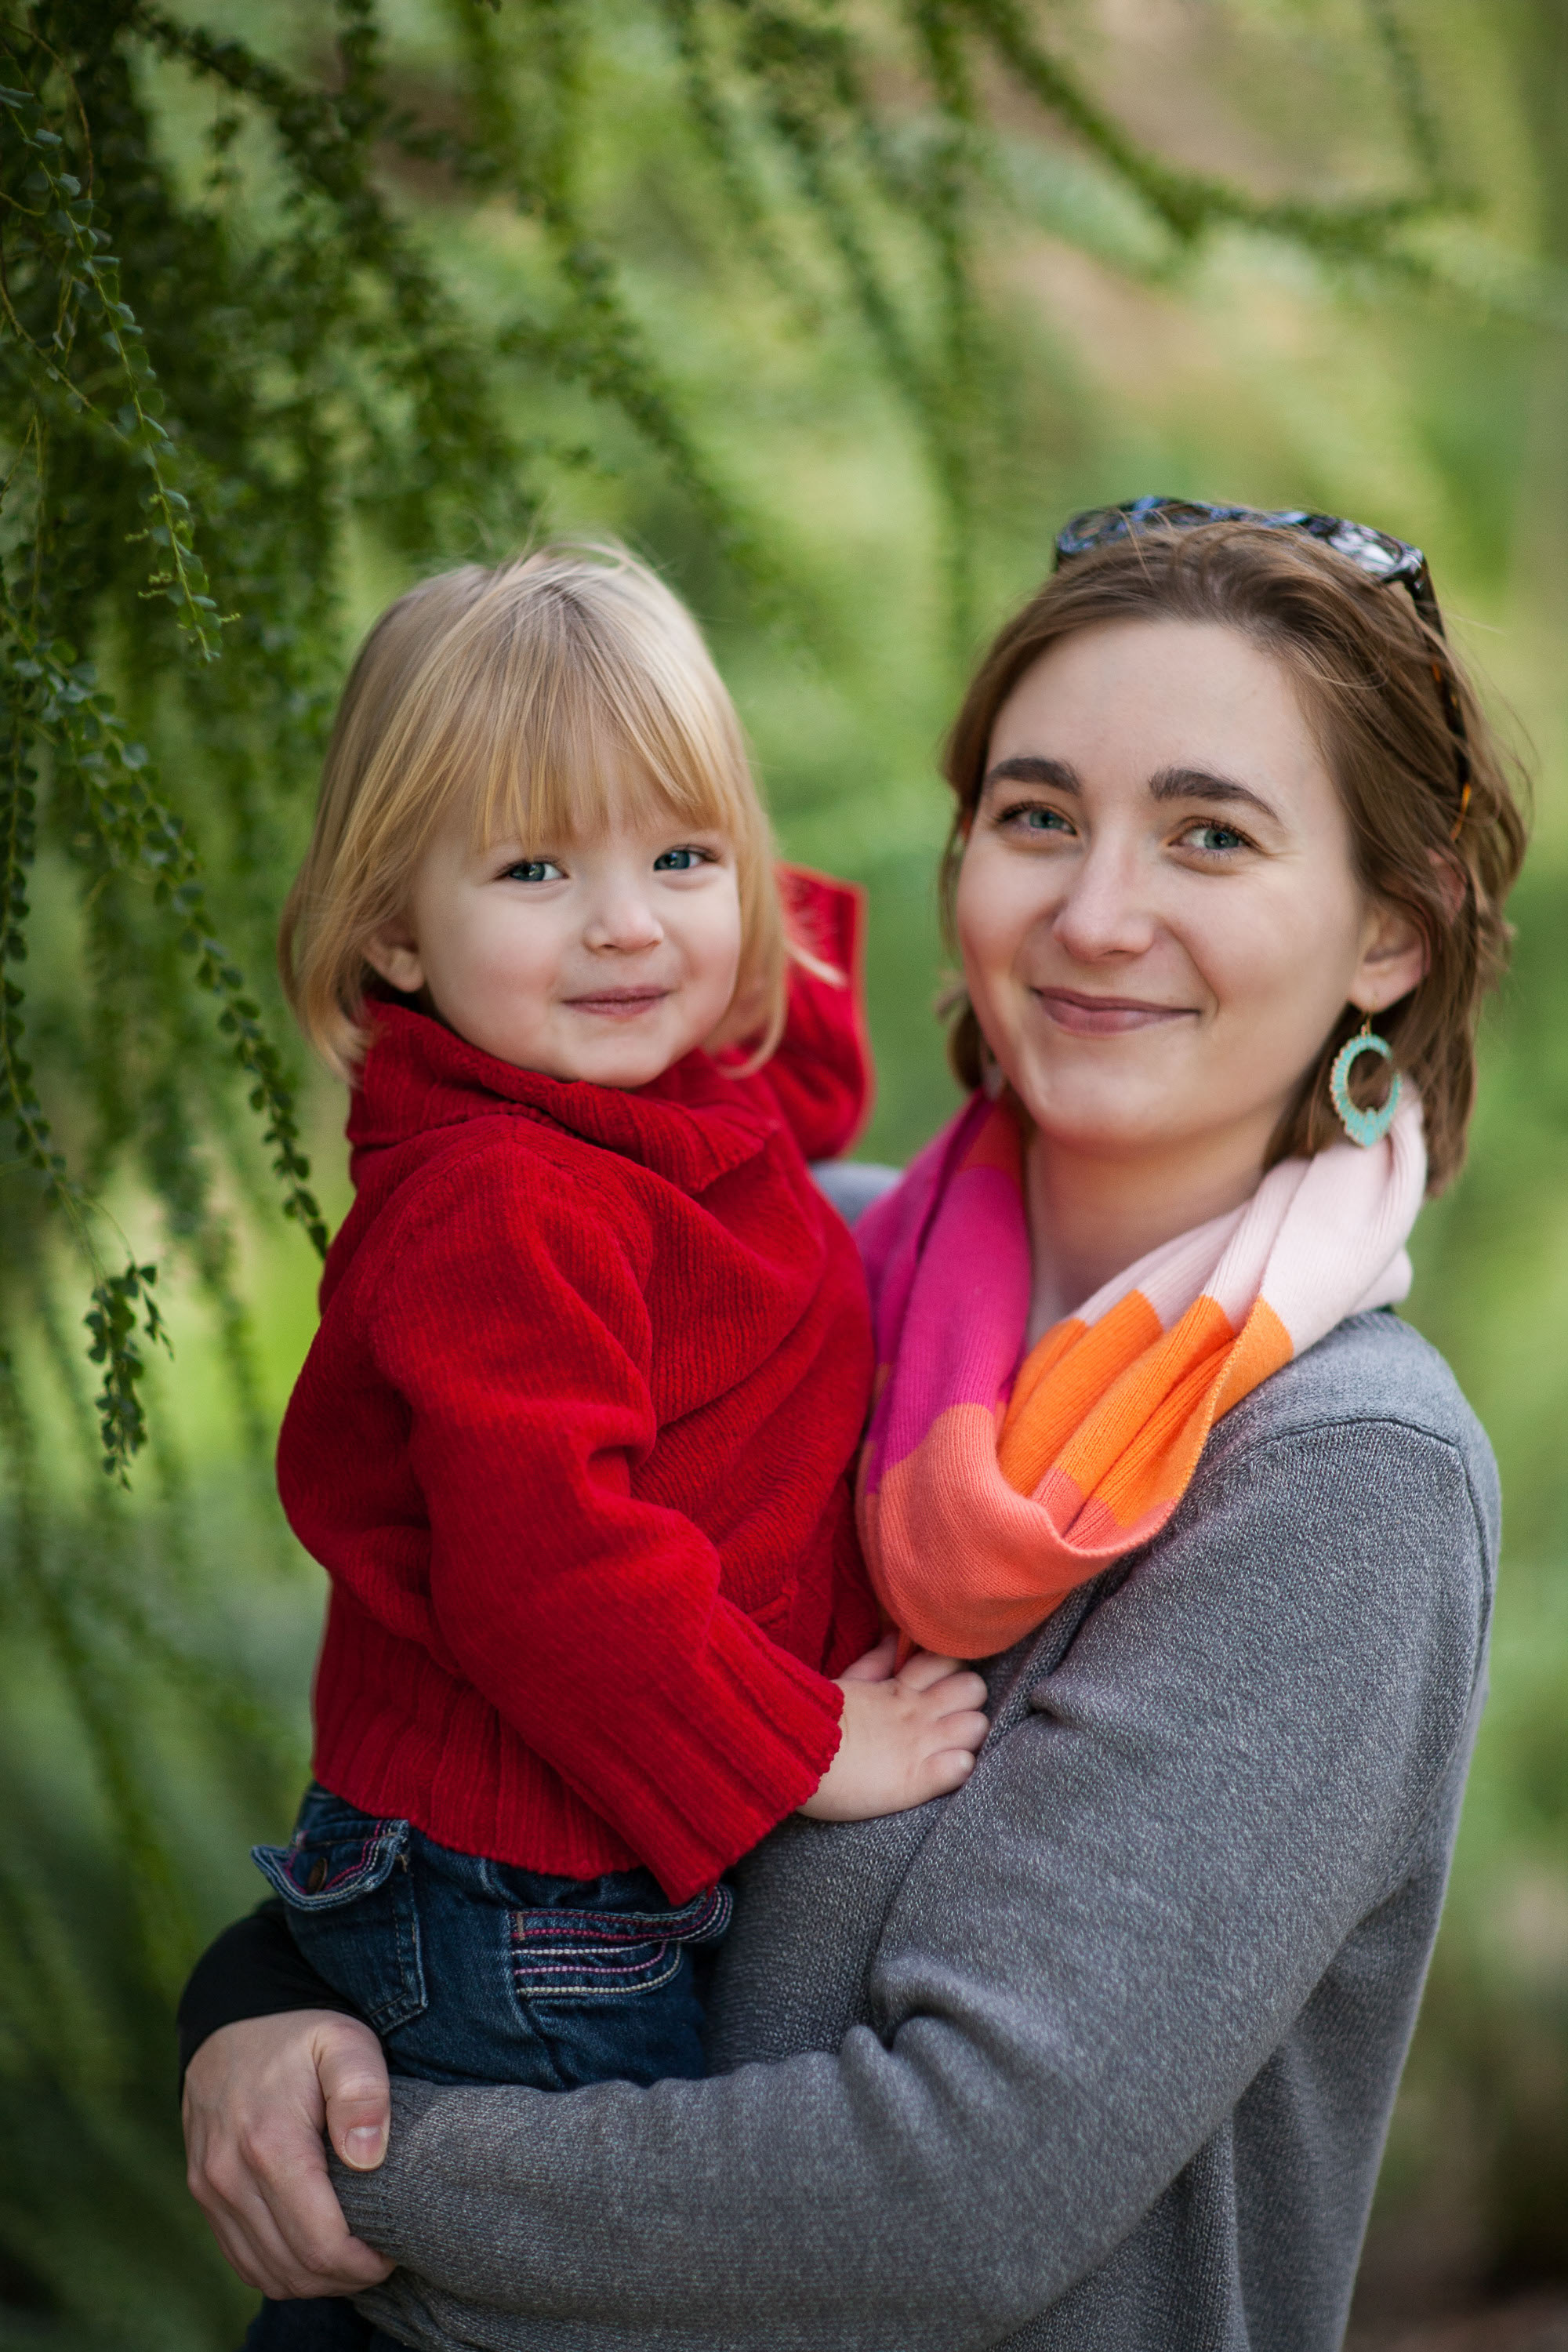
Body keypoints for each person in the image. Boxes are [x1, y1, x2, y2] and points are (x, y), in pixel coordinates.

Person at [182, 503, 1526, 2352]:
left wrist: (368, 2164)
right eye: (1036, 816)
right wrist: (258, 2009)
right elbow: (491, 1660)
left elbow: (951, 2199)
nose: (1094, 912)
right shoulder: (813, 1252)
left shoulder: (1340, 1473)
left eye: (1207, 834)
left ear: (1389, 928)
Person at [232, 543, 989, 2348]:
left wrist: (707, 882)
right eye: (534, 869)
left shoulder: (638, 1107)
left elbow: (786, 1080)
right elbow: (548, 1565)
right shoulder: (499, 1200)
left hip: (527, 1868)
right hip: (520, 1898)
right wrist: (808, 1745)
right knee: (569, 2309)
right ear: (393, 932)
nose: (626, 926)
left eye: (677, 855)